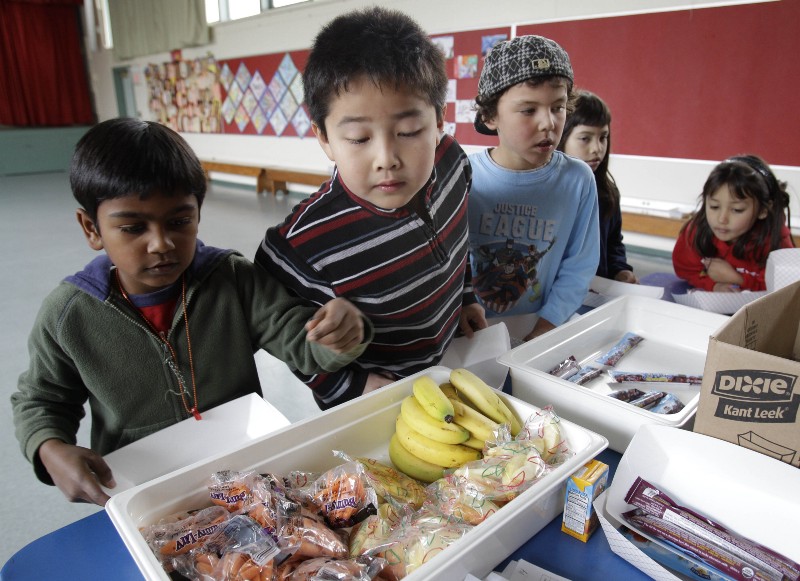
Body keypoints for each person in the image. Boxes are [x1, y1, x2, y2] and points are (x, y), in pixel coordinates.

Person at [11, 118, 371, 506]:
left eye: (180, 222)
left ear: (198, 212)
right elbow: (41, 400)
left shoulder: (233, 280)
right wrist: (49, 446)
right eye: (133, 228)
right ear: (92, 228)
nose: (161, 243)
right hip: (140, 490)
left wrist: (342, 333)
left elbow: (302, 343)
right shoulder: (70, 316)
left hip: (244, 475)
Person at [254, 7, 481, 409]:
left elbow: (459, 241)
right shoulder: (300, 245)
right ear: (324, 137)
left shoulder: (452, 163)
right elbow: (291, 343)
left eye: (409, 132)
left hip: (456, 361)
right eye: (359, 138)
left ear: (439, 119)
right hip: (378, 398)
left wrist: (466, 297)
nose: (387, 158)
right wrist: (354, 387)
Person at [469, 35, 600, 341]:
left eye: (558, 107)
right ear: (490, 115)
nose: (548, 123)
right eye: (529, 110)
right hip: (468, 335)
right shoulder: (464, 174)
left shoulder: (577, 179)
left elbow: (578, 266)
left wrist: (546, 327)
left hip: (539, 329)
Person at [672, 155, 794, 292]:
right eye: (714, 206)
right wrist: (713, 285)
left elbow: (784, 290)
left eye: (737, 210)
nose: (722, 219)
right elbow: (685, 270)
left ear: (763, 211)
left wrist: (737, 279)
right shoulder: (696, 231)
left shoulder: (776, 242)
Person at [558, 89, 637, 283]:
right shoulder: (552, 193)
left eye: (603, 137)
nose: (597, 148)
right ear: (562, 137)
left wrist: (620, 270)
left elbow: (613, 243)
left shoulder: (607, 192)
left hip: (598, 296)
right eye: (585, 138)